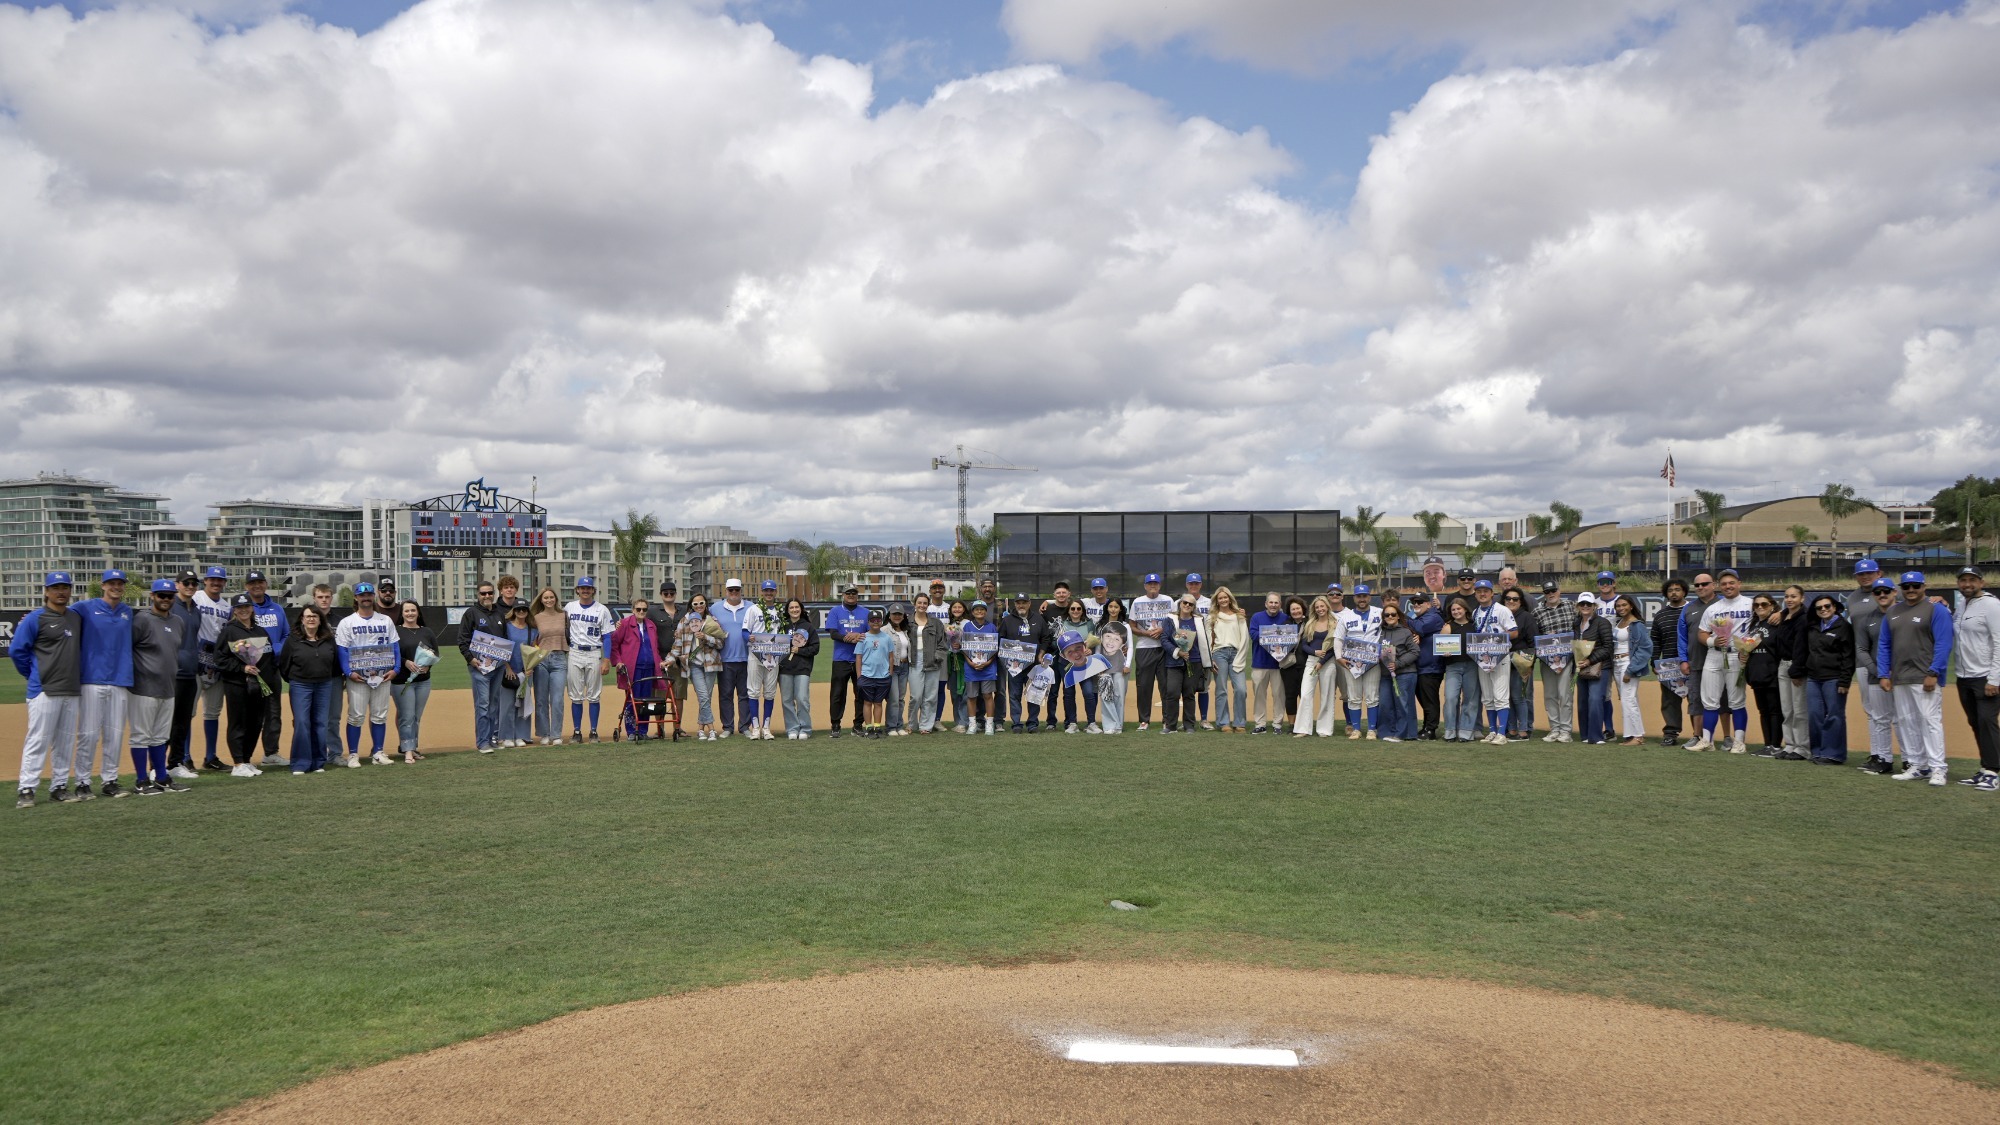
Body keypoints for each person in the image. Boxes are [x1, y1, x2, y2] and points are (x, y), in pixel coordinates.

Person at [12, 572, 85, 807]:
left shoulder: (75, 618)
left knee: (64, 742)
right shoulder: (36, 618)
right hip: (44, 689)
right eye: (55, 587)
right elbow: (17, 651)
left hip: (71, 689)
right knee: (38, 740)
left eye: (65, 587)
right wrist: (33, 674)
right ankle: (27, 788)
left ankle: (59, 786)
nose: (61, 591)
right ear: (46, 591)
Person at [1878, 571, 1954, 786]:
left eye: (1915, 586)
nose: (1911, 590)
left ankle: (1938, 768)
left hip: (1925, 676)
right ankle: (1918, 765)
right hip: (1900, 677)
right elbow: (1884, 645)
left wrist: (1934, 672)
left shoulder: (1936, 609)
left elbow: (1943, 643)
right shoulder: (1893, 612)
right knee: (1907, 722)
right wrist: (1884, 673)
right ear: (1901, 588)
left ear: (1923, 587)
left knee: (1930, 722)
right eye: (1906, 586)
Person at [122, 579, 189, 796]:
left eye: (169, 596)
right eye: (161, 595)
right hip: (143, 688)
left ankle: (161, 778)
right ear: (153, 596)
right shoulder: (141, 619)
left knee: (160, 736)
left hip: (168, 688)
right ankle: (141, 780)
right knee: (141, 736)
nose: (166, 600)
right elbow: (127, 650)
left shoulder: (178, 621)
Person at [73, 568, 137, 798]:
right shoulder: (85, 607)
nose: (116, 587)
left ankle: (110, 780)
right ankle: (82, 782)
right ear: (103, 585)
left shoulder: (127, 612)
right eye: (111, 583)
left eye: (120, 584)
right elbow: (59, 616)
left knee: (115, 734)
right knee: (88, 734)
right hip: (92, 678)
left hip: (120, 679)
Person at [1687, 569, 1754, 754]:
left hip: (1737, 655)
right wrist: (1712, 641)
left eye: (1731, 582)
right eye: (1724, 583)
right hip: (1714, 654)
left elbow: (1766, 619)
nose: (1728, 586)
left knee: (1736, 701)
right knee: (1709, 701)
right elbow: (1702, 633)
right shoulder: (1713, 608)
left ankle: (1739, 742)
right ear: (1718, 586)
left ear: (1739, 583)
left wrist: (1748, 649)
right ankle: (1707, 741)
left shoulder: (1750, 604)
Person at [336, 583, 401, 765]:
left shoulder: (385, 620)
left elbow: (395, 646)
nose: (366, 598)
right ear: (356, 598)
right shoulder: (347, 622)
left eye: (369, 595)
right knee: (356, 716)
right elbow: (342, 650)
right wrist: (348, 672)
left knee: (379, 715)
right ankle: (353, 754)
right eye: (362, 595)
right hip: (357, 677)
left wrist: (396, 669)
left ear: (374, 597)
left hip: (382, 675)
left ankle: (378, 752)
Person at [213, 594, 278, 777]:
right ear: (234, 610)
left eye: (246, 607)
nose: (243, 610)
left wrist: (266, 676)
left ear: (252, 608)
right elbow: (219, 659)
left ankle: (247, 760)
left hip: (258, 684)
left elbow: (269, 655)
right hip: (236, 683)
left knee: (255, 722)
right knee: (238, 722)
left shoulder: (260, 630)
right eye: (239, 607)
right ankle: (238, 762)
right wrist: (242, 667)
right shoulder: (229, 631)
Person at [1847, 561, 1900, 774]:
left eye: (1869, 573)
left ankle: (1910, 758)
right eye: (1861, 574)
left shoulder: (1894, 594)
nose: (1865, 577)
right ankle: (1878, 754)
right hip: (1863, 662)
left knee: (1899, 714)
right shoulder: (1852, 598)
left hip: (1895, 664)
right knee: (1872, 711)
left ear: (1879, 573)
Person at [1951, 568, 1999, 790]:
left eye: (1972, 580)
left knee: (1987, 722)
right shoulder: (1963, 605)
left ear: (1982, 581)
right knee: (1976, 723)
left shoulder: (1991, 605)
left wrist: (1995, 679)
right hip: (1964, 675)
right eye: (1963, 580)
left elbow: (1999, 642)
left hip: (1985, 677)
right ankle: (1985, 767)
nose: (1967, 584)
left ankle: (1993, 771)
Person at [278, 605, 340, 773]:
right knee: (302, 723)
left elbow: (335, 663)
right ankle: (300, 763)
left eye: (315, 616)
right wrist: (295, 679)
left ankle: (318, 762)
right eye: (308, 616)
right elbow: (284, 664)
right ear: (302, 620)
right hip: (300, 685)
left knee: (320, 723)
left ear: (320, 620)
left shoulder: (328, 639)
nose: (311, 618)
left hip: (324, 685)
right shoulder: (293, 639)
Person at [1797, 594, 1854, 765]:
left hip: (1834, 678)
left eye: (1827, 606)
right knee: (1815, 715)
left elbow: (1848, 656)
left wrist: (1845, 680)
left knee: (1834, 716)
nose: (1823, 610)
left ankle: (1834, 754)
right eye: (1819, 607)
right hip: (1814, 678)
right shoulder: (1813, 626)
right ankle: (1818, 751)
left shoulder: (1843, 627)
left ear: (1834, 607)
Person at [242, 570, 291, 767]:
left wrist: (276, 650)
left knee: (273, 713)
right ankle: (245, 756)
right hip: (250, 670)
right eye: (252, 583)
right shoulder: (243, 608)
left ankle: (271, 752)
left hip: (272, 668)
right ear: (247, 586)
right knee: (249, 714)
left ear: (265, 584)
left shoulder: (277, 609)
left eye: (260, 582)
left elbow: (287, 635)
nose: (256, 586)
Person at [561, 578, 616, 743]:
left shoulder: (602, 609)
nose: (585, 590)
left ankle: (593, 731)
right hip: (575, 651)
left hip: (593, 653)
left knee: (594, 695)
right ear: (577, 590)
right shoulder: (569, 607)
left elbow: (607, 637)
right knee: (575, 695)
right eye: (582, 588)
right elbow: (562, 630)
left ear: (593, 590)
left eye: (588, 588)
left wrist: (606, 660)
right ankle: (577, 731)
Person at [458, 581, 509, 751]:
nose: (487, 596)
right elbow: (462, 640)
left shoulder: (500, 614)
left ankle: (490, 739)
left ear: (494, 594)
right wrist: (471, 659)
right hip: (479, 667)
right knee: (483, 705)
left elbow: (505, 639)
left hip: (498, 665)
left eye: (489, 593)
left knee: (494, 704)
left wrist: (504, 660)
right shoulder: (471, 613)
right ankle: (482, 742)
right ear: (478, 595)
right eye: (483, 593)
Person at [1468, 579, 1518, 746]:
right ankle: (1492, 731)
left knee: (1500, 696)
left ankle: (1502, 733)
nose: (1482, 594)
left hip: (1500, 656)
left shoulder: (1501, 610)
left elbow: (1514, 632)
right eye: (1479, 591)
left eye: (1485, 591)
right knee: (1488, 697)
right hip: (1482, 658)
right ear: (1475, 594)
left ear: (1492, 593)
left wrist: (1496, 640)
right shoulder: (1475, 613)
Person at [192, 565, 231, 770]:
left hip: (216, 664)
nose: (216, 583)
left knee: (212, 713)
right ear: (205, 581)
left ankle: (210, 757)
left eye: (220, 580)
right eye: (212, 579)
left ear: (224, 583)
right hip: (196, 661)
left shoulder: (227, 606)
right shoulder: (196, 598)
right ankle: (185, 757)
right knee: (188, 713)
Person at [166, 570, 203, 780]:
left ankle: (175, 763)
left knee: (182, 722)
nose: (190, 586)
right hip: (172, 673)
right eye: (186, 582)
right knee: (167, 722)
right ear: (177, 584)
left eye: (193, 583)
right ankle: (156, 766)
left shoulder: (195, 610)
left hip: (190, 672)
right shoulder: (171, 606)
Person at [609, 597, 663, 741]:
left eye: (644, 609)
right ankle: (632, 731)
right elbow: (614, 644)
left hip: (649, 667)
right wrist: (618, 662)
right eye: (638, 609)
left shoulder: (651, 625)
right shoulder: (625, 624)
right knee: (631, 700)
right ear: (633, 610)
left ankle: (643, 730)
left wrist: (659, 662)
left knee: (646, 701)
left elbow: (655, 647)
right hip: (632, 669)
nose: (641, 612)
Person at [673, 594, 724, 740]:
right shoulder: (685, 621)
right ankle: (712, 729)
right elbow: (678, 639)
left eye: (701, 603)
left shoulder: (712, 621)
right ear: (691, 606)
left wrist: (706, 637)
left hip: (711, 663)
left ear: (706, 604)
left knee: (706, 697)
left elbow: (721, 643)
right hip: (694, 664)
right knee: (703, 695)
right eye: (695, 604)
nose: (699, 606)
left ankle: (701, 729)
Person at [1532, 581, 1578, 744]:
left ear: (1559, 591)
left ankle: (1565, 730)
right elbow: (1535, 636)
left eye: (1553, 591)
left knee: (1565, 694)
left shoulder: (1571, 606)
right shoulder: (1537, 611)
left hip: (1567, 657)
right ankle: (1555, 729)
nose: (1550, 594)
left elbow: (1578, 628)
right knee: (1550, 695)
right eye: (1547, 592)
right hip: (1547, 659)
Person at [391, 600, 437, 762]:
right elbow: (392, 653)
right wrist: (405, 662)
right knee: (407, 716)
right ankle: (408, 750)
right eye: (407, 611)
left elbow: (434, 653)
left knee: (416, 716)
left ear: (418, 612)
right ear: (402, 613)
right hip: (402, 681)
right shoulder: (396, 631)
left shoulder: (427, 631)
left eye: (413, 610)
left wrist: (427, 666)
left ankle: (413, 747)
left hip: (423, 680)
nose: (410, 613)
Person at [1338, 584, 1386, 738]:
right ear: (1354, 598)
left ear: (1369, 597)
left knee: (1373, 696)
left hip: (1373, 662)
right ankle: (1357, 729)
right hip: (1351, 663)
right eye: (1359, 596)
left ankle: (1372, 729)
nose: (1362, 599)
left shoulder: (1380, 613)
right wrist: (1339, 657)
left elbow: (1392, 628)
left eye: (1365, 596)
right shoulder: (1346, 617)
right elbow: (1338, 639)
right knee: (1354, 696)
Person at [1743, 594, 1788, 756]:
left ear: (1772, 606)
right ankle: (1767, 744)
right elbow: (1749, 647)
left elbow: (1795, 615)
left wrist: (1781, 613)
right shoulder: (1754, 625)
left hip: (1773, 672)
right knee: (1763, 710)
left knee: (1775, 710)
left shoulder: (1777, 622)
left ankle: (1776, 745)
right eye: (1756, 605)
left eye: (1764, 604)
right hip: (1756, 673)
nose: (1760, 607)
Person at [1128, 574, 1173, 730]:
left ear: (1159, 585)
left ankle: (1167, 720)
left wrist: (1163, 629)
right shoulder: (1138, 602)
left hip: (1165, 647)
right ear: (1145, 586)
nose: (1153, 585)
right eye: (1150, 583)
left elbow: (1175, 622)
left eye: (1155, 583)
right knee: (1144, 686)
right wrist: (1146, 633)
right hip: (1144, 647)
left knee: (1166, 685)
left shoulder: (1168, 600)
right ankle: (1144, 720)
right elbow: (1132, 625)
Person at [824, 586, 869, 739]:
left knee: (861, 693)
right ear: (843, 595)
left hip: (861, 659)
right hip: (841, 658)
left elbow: (871, 633)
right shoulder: (835, 611)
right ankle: (835, 725)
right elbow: (833, 633)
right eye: (848, 593)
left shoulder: (865, 612)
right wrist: (848, 638)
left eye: (854, 593)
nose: (851, 595)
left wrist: (859, 635)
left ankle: (858, 725)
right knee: (837, 694)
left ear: (857, 595)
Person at [1771, 585, 1811, 758]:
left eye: (1793, 596)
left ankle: (1803, 748)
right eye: (1786, 596)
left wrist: (1797, 670)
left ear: (1802, 598)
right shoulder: (1784, 616)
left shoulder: (1804, 618)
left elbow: (1802, 646)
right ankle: (1790, 744)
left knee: (1799, 710)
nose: (1789, 599)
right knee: (1787, 709)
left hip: (1796, 666)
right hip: (1783, 665)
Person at [1570, 593, 1616, 744]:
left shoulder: (1602, 623)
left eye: (1588, 604)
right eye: (1582, 604)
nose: (1585, 606)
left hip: (1600, 667)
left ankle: (1596, 736)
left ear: (1594, 606)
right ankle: (1585, 735)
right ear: (1578, 606)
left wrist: (1590, 660)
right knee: (1583, 701)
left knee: (1595, 699)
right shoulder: (1576, 623)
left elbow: (1608, 647)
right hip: (1581, 667)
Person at [1293, 595, 1341, 738]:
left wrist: (1322, 661)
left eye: (1322, 606)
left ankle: (1324, 730)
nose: (1320, 609)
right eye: (1317, 607)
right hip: (1311, 662)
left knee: (1327, 696)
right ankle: (1303, 728)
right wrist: (1315, 653)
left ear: (1327, 606)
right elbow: (1304, 645)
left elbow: (1335, 648)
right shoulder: (1310, 624)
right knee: (1306, 694)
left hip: (1328, 663)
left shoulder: (1335, 623)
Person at [1608, 594, 1653, 745]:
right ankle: (1632, 734)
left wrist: (1631, 669)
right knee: (1627, 699)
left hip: (1628, 663)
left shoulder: (1636, 624)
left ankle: (1637, 736)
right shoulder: (1619, 622)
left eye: (1624, 605)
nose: (1621, 608)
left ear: (1631, 606)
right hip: (1617, 663)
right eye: (1618, 606)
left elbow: (1645, 648)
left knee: (1629, 700)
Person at [1160, 595, 1208, 733]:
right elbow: (1164, 639)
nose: (1187, 605)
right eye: (1185, 602)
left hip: (1194, 661)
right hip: (1174, 662)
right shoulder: (1170, 619)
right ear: (1180, 603)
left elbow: (1203, 640)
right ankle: (1170, 725)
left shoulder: (1199, 620)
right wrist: (1177, 652)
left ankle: (1189, 725)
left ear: (1194, 607)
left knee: (1189, 694)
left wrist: (1206, 660)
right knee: (1172, 693)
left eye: (1191, 604)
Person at [1650, 579, 1690, 745]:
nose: (1674, 593)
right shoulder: (1661, 614)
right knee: (1669, 701)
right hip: (1668, 664)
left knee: (1695, 699)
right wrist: (1654, 661)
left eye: (1677, 589)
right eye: (1670, 590)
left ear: (1684, 592)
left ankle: (1700, 734)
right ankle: (1671, 734)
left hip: (1690, 661)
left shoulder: (1692, 610)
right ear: (1666, 594)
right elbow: (1655, 640)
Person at [646, 582, 687, 738]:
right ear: (661, 594)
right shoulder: (653, 612)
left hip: (679, 659)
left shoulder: (684, 611)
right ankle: (659, 729)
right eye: (666, 593)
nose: (669, 595)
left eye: (671, 593)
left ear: (675, 594)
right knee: (659, 696)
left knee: (679, 695)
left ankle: (677, 727)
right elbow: (639, 622)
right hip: (660, 659)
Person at [529, 587, 569, 744]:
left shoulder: (564, 616)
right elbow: (533, 641)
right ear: (541, 600)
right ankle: (544, 733)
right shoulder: (536, 618)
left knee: (558, 699)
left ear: (556, 599)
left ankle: (556, 734)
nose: (549, 600)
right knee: (541, 699)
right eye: (546, 598)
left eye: (551, 597)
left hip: (560, 658)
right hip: (542, 659)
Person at [1247, 592, 1290, 734]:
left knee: (1279, 695)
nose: (1273, 605)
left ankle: (1277, 724)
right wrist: (1275, 633)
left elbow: (1290, 636)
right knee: (1259, 695)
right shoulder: (1257, 617)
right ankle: (1260, 724)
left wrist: (1267, 633)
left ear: (1280, 604)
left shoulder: (1285, 618)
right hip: (1260, 663)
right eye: (1270, 602)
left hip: (1279, 664)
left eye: (1276, 602)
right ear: (1266, 604)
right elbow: (1253, 635)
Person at [776, 598, 819, 739]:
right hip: (785, 668)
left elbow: (815, 648)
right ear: (787, 610)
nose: (794, 610)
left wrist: (800, 651)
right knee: (786, 700)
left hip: (803, 668)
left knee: (802, 699)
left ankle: (805, 728)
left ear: (801, 609)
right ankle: (792, 729)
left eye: (797, 607)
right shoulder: (782, 626)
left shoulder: (808, 627)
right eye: (791, 608)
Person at [746, 580, 784, 738]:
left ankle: (766, 727)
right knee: (753, 691)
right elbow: (744, 632)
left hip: (773, 654)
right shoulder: (753, 609)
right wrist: (750, 637)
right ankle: (755, 727)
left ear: (776, 592)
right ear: (761, 592)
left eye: (771, 591)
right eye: (766, 590)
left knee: (770, 692)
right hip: (755, 654)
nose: (769, 593)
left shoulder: (780, 611)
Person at [1000, 593, 1043, 732]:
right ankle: (1016, 724)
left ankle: (1032, 723)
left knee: (1034, 695)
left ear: (1029, 603)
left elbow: (1046, 638)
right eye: (1018, 602)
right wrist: (1010, 650)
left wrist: (1041, 653)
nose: (1021, 605)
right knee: (1014, 695)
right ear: (1015, 604)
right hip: (1015, 665)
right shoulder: (1007, 620)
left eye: (1024, 602)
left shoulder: (1038, 619)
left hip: (1034, 665)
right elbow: (1001, 639)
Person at [1437, 600, 1479, 742]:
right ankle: (1450, 732)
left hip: (1471, 666)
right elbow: (1440, 647)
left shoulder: (1474, 625)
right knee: (1450, 698)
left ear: (1465, 609)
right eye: (1453, 610)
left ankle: (1466, 732)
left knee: (1470, 700)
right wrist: (1444, 652)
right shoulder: (1448, 626)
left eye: (1458, 609)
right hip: (1453, 667)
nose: (1456, 612)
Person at [1207, 588, 1248, 732]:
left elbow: (1245, 638)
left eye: (1225, 597)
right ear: (1216, 601)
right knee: (1221, 689)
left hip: (1236, 654)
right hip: (1219, 654)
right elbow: (1207, 639)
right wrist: (1209, 658)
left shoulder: (1239, 616)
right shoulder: (1212, 617)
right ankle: (1223, 723)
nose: (1223, 600)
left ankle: (1239, 723)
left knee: (1241, 689)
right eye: (1220, 598)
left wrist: (1241, 657)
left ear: (1230, 599)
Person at [854, 609, 899, 738]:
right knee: (867, 702)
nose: (875, 622)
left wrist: (890, 673)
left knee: (878, 703)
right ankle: (868, 727)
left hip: (883, 676)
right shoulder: (863, 637)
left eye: (878, 620)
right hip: (867, 675)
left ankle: (877, 726)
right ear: (868, 622)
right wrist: (859, 676)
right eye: (873, 620)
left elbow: (891, 657)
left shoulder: (886, 638)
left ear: (881, 622)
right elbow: (858, 658)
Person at [1378, 601, 1418, 742]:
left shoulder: (1405, 632)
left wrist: (1398, 664)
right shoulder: (1380, 632)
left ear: (1398, 616)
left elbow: (1415, 651)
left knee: (1403, 704)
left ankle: (1403, 734)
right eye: (1386, 614)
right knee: (1385, 704)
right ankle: (1386, 732)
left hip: (1405, 673)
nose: (1390, 616)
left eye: (1393, 614)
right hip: (1385, 674)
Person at [1408, 591, 1445, 740]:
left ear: (1428, 604)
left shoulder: (1433, 616)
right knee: (1424, 700)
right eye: (1414, 602)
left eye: (1420, 602)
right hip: (1422, 666)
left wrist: (1402, 617)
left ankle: (1431, 730)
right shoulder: (1419, 617)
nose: (1416, 605)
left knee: (1429, 700)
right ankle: (1426, 727)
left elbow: (1420, 628)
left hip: (1432, 667)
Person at [907, 593, 945, 735]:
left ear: (928, 605)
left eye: (924, 603)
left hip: (932, 662)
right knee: (916, 696)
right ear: (914, 604)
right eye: (919, 602)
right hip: (914, 661)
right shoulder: (908, 621)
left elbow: (942, 643)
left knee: (930, 696)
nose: (922, 605)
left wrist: (937, 657)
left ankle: (926, 726)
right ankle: (912, 724)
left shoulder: (936, 623)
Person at [960, 600, 1001, 735]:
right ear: (972, 612)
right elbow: (964, 648)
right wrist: (970, 662)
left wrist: (988, 662)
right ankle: (972, 724)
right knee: (971, 696)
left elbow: (995, 648)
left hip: (988, 667)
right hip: (971, 667)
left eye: (982, 609)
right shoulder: (967, 627)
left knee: (987, 695)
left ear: (986, 611)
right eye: (976, 610)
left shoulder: (992, 627)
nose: (979, 612)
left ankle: (989, 724)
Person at [1501, 588, 1537, 740]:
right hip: (1502, 661)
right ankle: (1512, 729)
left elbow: (1533, 642)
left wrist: (1529, 665)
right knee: (1507, 697)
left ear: (1520, 601)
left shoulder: (1526, 617)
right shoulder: (1501, 615)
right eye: (1508, 598)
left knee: (1519, 697)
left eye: (1515, 599)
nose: (1511, 601)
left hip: (1521, 661)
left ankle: (1523, 730)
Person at [1094, 597, 1132, 733]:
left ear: (1120, 609)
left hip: (1121, 666)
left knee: (1119, 696)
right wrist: (1098, 665)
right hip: (1105, 666)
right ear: (1107, 608)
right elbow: (1098, 647)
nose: (1113, 609)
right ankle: (1109, 726)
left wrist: (1127, 664)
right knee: (1105, 696)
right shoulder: (1101, 625)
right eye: (1111, 606)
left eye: (1116, 607)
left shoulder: (1125, 626)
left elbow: (1130, 646)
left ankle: (1118, 726)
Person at [1184, 573, 1214, 728]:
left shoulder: (1209, 603)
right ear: (1187, 585)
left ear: (1200, 585)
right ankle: (1187, 720)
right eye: (1191, 583)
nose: (1193, 586)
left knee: (1204, 685)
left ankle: (1204, 719)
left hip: (1204, 649)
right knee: (1186, 687)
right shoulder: (1180, 602)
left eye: (1196, 583)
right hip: (1186, 650)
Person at [884, 603, 913, 735]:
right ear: (889, 615)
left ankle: (899, 726)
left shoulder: (906, 630)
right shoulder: (885, 630)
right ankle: (891, 727)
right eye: (894, 614)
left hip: (905, 666)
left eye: (899, 614)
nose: (896, 616)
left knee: (901, 699)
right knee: (894, 698)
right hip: (892, 667)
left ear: (903, 616)